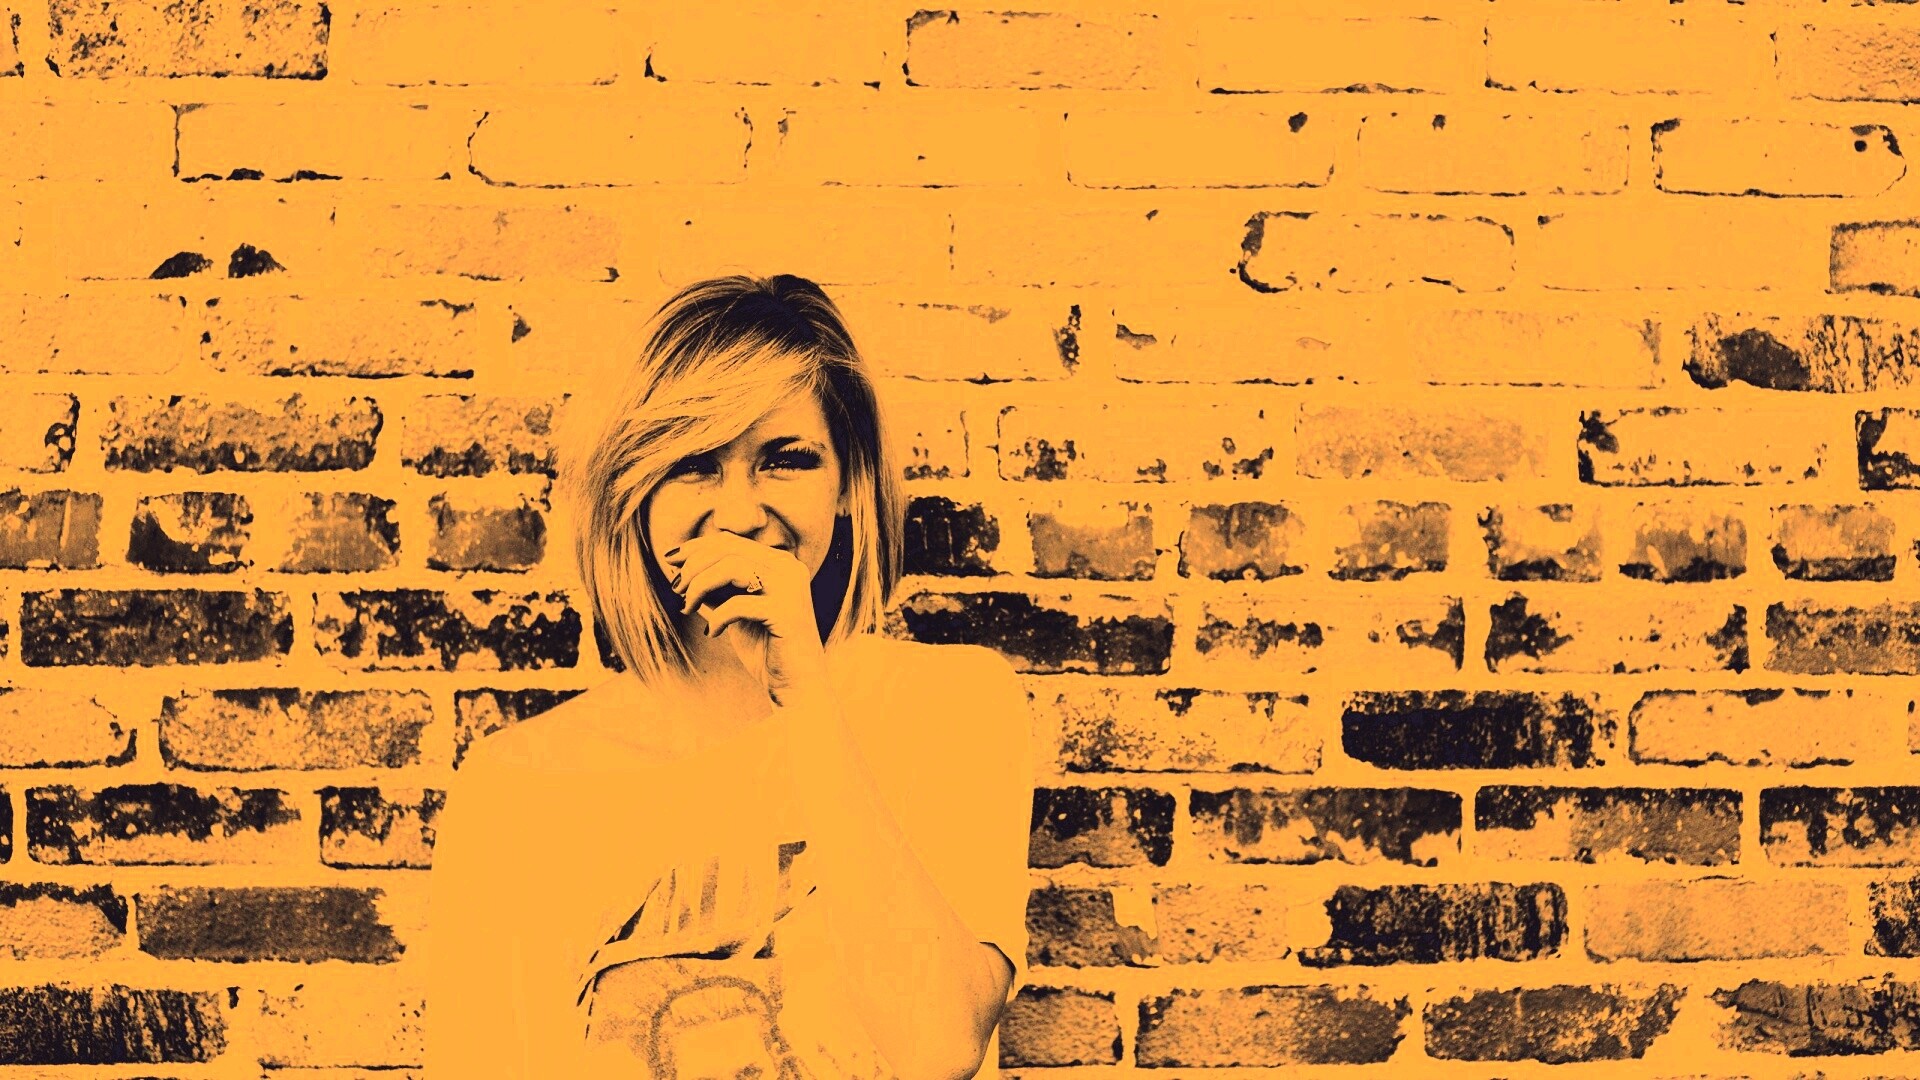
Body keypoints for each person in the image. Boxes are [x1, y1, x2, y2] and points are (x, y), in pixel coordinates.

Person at [423, 274, 1033, 1080]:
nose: (741, 512)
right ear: (635, 491)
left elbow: (936, 1046)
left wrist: (805, 698)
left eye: (786, 460)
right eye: (694, 466)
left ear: (848, 485)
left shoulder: (950, 710)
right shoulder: (518, 788)